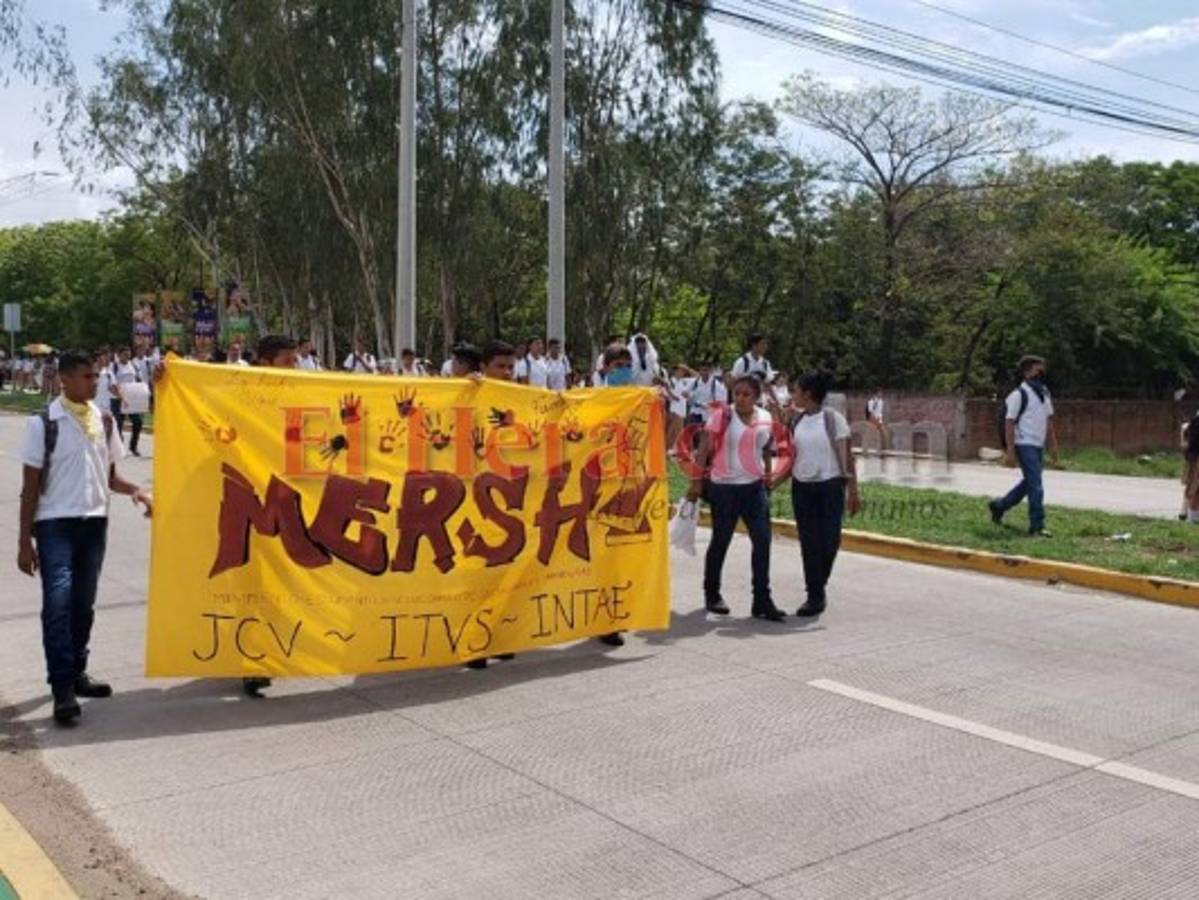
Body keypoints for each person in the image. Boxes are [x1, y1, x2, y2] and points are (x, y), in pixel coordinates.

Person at [16, 350, 153, 724]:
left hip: (94, 524)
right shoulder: (44, 423)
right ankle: (61, 687)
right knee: (57, 604)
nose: (95, 382)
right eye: (87, 376)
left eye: (96, 376)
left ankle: (77, 672)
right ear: (64, 380)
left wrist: (137, 491)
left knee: (83, 605)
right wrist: (24, 542)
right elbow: (30, 488)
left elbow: (110, 477)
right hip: (54, 526)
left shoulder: (104, 420)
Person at [686, 375, 787, 621]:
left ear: (756, 397)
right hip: (724, 489)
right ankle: (712, 594)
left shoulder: (765, 417)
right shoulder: (722, 416)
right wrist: (696, 482)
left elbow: (766, 448)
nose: (740, 398)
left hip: (754, 489)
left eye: (746, 394)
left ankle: (762, 599)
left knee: (762, 542)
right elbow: (703, 450)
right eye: (737, 393)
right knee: (721, 541)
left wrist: (768, 475)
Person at [788, 370, 860, 617]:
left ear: (807, 394)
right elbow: (791, 456)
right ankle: (815, 595)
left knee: (830, 541)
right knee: (809, 543)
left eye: (796, 390)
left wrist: (853, 491)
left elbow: (848, 457)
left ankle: (819, 582)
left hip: (830, 487)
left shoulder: (833, 419)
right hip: (802, 489)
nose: (793, 394)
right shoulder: (796, 421)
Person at [988, 355, 1058, 537]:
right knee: (1036, 486)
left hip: (1038, 445)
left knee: (1030, 483)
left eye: (1043, 370)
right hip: (1024, 443)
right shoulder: (1018, 394)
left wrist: (1053, 445)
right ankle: (1037, 526)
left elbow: (1049, 420)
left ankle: (999, 506)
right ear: (1027, 373)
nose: (1042, 374)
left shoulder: (1044, 393)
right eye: (1038, 370)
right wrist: (1010, 452)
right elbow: (1009, 422)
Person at [109, 347, 145, 457]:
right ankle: (119, 448)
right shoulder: (114, 367)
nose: (127, 356)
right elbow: (112, 383)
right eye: (125, 354)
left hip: (131, 399)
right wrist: (119, 395)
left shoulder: (133, 365)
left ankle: (133, 446)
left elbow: (139, 379)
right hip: (117, 399)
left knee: (138, 422)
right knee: (118, 424)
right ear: (119, 355)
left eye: (128, 354)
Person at [687, 360, 727, 427]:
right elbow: (685, 393)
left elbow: (720, 401)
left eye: (706, 370)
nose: (704, 372)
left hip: (709, 414)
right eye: (702, 370)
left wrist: (706, 405)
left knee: (707, 432)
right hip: (695, 413)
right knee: (693, 431)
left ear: (710, 371)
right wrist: (691, 398)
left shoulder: (716, 385)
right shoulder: (695, 382)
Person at [1182, 411, 1199, 524]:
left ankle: (1190, 515)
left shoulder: (1193, 423)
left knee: (1193, 488)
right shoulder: (1196, 422)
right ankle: (1192, 517)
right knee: (1195, 488)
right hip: (1196, 459)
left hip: (1193, 458)